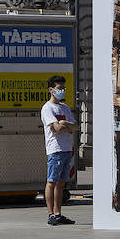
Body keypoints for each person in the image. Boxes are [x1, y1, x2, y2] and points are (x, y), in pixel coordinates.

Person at [41, 74, 76, 226]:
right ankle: (50, 214)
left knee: (61, 183)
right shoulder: (47, 108)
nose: (62, 90)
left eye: (63, 88)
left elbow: (75, 126)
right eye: (59, 88)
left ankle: (58, 213)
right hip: (55, 149)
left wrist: (64, 122)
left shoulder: (65, 108)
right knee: (52, 181)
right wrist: (63, 125)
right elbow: (56, 127)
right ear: (51, 90)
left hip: (67, 148)